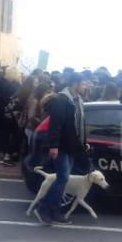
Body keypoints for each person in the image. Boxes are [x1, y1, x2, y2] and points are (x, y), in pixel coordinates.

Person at [34, 72, 90, 226]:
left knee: (62, 180)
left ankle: (55, 212)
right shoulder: (63, 100)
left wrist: (83, 142)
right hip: (62, 147)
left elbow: (80, 124)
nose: (85, 87)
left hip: (72, 146)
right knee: (63, 178)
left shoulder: (77, 99)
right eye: (83, 84)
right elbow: (55, 125)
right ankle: (44, 208)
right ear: (76, 84)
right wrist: (54, 145)